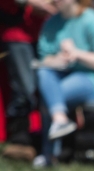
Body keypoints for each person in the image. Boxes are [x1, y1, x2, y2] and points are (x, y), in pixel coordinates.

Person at [34, 0, 94, 167]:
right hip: (62, 74)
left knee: (52, 95)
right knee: (44, 73)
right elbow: (45, 58)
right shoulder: (52, 22)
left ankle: (49, 154)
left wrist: (76, 54)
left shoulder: (91, 19)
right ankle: (60, 120)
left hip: (92, 78)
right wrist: (57, 59)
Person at [0, 0, 54, 162]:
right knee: (24, 87)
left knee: (45, 85)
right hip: (18, 32)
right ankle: (19, 140)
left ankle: (45, 140)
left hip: (48, 32)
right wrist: (31, 3)